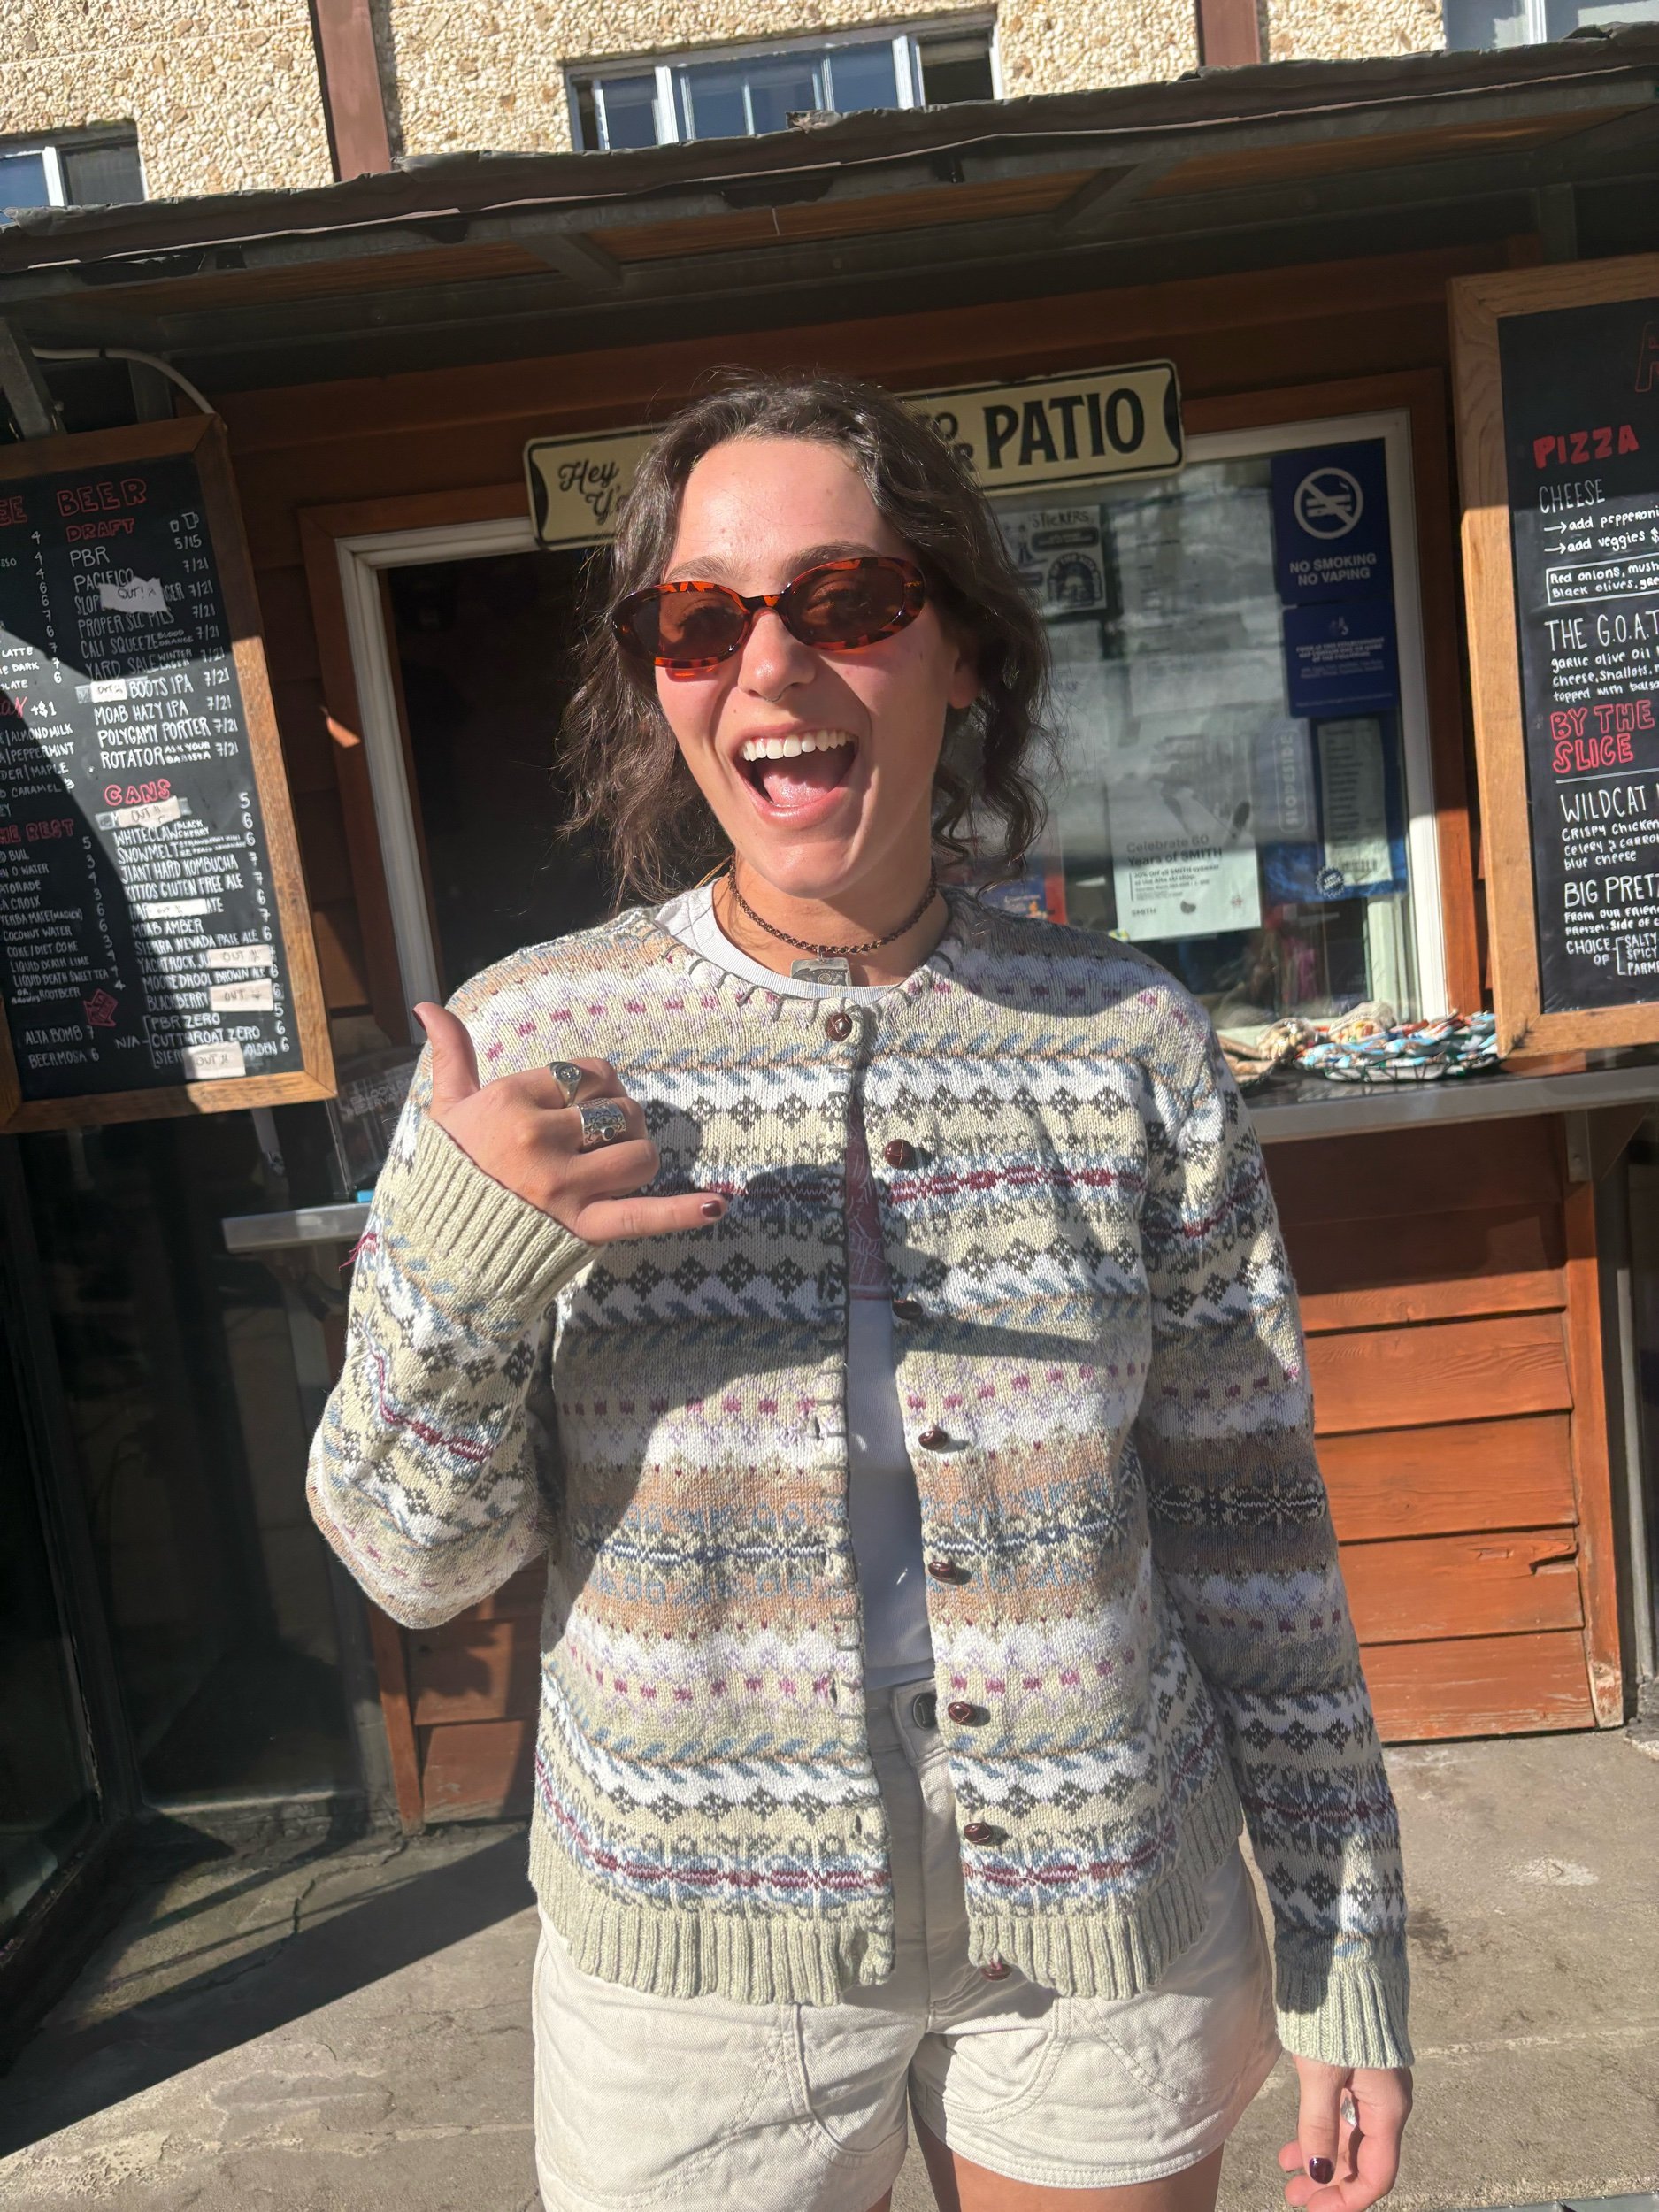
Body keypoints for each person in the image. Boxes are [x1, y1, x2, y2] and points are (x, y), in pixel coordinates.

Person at [308, 372, 1413, 2212]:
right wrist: (461, 1259)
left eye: (845, 600)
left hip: (1100, 1932)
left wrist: (1341, 1934)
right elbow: (413, 1563)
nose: (769, 664)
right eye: (696, 618)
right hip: (691, 1964)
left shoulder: (1122, 1040)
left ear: (959, 648)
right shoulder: (533, 1044)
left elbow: (1251, 1536)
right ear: (654, 677)